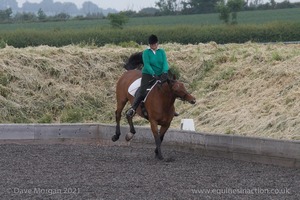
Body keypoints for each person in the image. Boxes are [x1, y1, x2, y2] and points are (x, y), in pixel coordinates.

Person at [126, 34, 169, 118]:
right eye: (152, 45)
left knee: (169, 88)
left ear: (157, 43)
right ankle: (133, 109)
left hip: (161, 73)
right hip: (148, 74)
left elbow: (165, 62)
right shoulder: (146, 53)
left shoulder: (162, 52)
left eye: (155, 44)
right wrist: (153, 73)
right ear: (149, 45)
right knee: (142, 90)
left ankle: (170, 109)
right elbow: (147, 64)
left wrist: (165, 71)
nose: (153, 46)